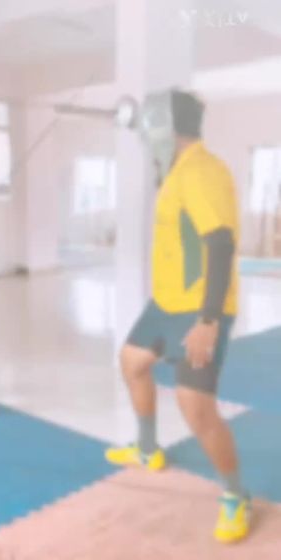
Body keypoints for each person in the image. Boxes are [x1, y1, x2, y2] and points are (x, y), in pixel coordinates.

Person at [106, 90, 251, 543]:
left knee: (196, 408)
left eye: (149, 131)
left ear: (165, 129)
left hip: (198, 309)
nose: (146, 141)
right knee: (132, 362)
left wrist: (208, 321)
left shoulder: (202, 171)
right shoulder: (178, 171)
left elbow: (221, 243)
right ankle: (148, 448)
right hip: (166, 302)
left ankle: (235, 495)